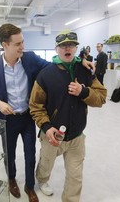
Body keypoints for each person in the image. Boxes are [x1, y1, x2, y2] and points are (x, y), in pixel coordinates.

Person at [0, 24, 95, 202]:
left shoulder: (30, 58)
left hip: (27, 117)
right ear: (5, 45)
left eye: (23, 42)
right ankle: (11, 180)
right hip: (6, 120)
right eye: (17, 44)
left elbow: (55, 66)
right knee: (9, 154)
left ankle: (29, 186)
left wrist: (80, 62)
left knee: (30, 154)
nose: (22, 47)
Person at [29, 30, 107, 202]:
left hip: (77, 136)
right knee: (45, 164)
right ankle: (42, 180)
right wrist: (46, 127)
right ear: (56, 49)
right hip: (52, 135)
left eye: (71, 44)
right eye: (63, 45)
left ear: (76, 48)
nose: (67, 48)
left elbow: (101, 98)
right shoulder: (45, 75)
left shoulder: (86, 71)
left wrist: (84, 91)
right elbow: (35, 106)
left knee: (75, 176)